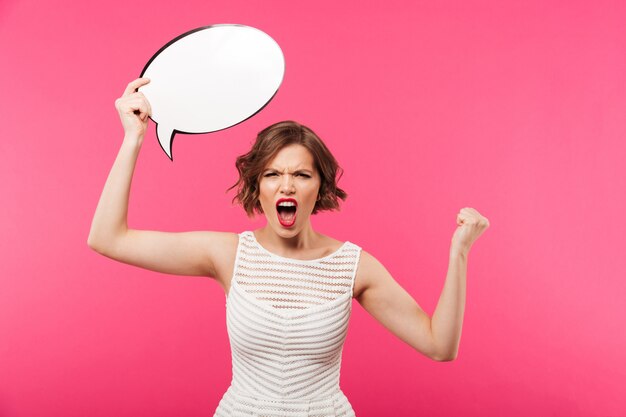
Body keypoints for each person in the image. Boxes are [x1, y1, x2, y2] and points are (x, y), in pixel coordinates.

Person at [88, 78, 490, 416]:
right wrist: (133, 138)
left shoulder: (354, 266)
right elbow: (108, 238)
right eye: (272, 174)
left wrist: (460, 253)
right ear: (256, 187)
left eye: (301, 174)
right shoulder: (228, 255)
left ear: (321, 187)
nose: (286, 185)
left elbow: (440, 346)